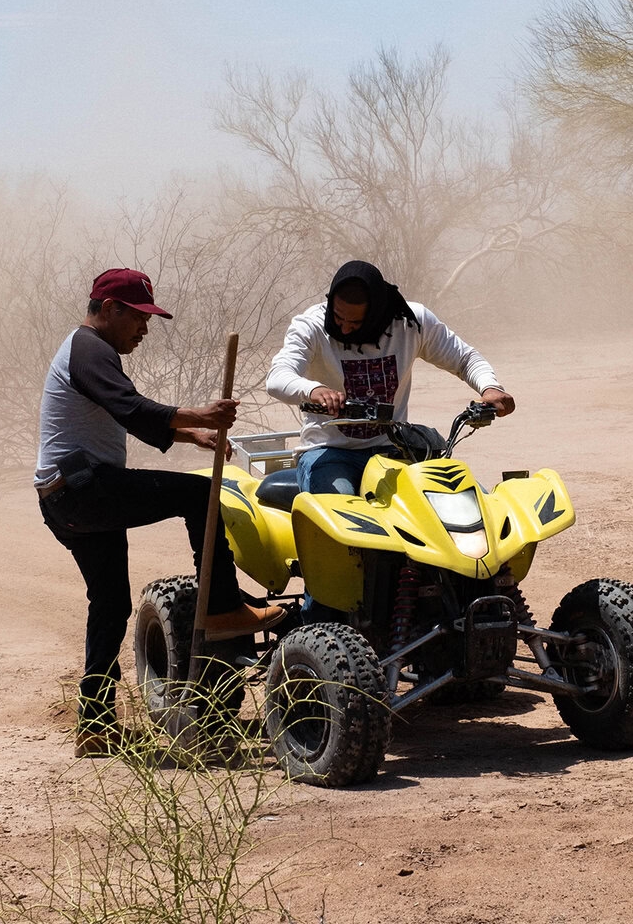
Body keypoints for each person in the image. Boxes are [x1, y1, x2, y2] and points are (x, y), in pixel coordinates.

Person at [36, 267, 286, 757]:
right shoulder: (90, 349)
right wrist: (201, 415)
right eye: (139, 319)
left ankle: (95, 725)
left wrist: (189, 434)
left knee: (110, 606)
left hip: (65, 496)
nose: (144, 330)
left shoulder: (87, 351)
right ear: (111, 310)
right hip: (83, 490)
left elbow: (119, 414)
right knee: (199, 495)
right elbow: (129, 407)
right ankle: (222, 608)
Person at [266, 259, 515, 497]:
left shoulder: (411, 322)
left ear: (377, 312)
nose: (343, 328)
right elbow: (277, 377)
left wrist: (490, 387)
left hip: (394, 451)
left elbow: (464, 358)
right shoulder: (311, 326)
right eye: (338, 316)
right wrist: (313, 389)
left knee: (463, 498)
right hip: (329, 453)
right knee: (345, 513)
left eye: (354, 322)